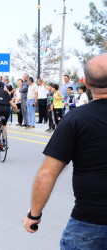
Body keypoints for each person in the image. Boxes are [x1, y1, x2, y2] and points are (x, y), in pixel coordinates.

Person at [22, 53, 107, 248]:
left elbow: (47, 173)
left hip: (89, 224)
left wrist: (34, 214)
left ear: (84, 82)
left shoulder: (75, 119)